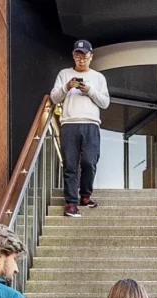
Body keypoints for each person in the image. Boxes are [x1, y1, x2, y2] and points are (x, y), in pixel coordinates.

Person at [50, 40, 109, 218]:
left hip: (91, 124)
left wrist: (89, 90)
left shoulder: (98, 78)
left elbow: (105, 103)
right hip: (69, 123)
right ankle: (71, 203)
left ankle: (85, 195)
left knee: (89, 162)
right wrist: (67, 87)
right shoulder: (64, 74)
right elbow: (54, 98)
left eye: (84, 55)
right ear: (73, 56)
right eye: (78, 54)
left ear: (91, 56)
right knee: (70, 165)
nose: (81, 58)